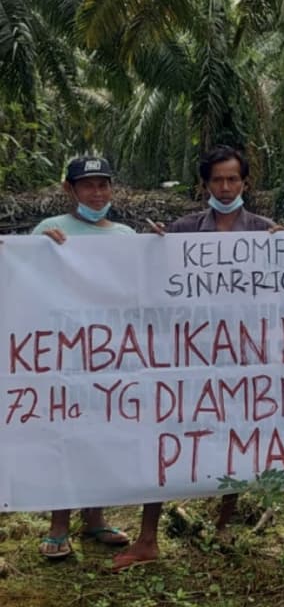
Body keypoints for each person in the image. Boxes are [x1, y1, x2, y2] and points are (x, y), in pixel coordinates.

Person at [113, 145, 278, 571]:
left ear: (245, 183)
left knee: (237, 435)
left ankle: (224, 523)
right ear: (204, 184)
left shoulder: (265, 231)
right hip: (184, 356)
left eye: (233, 179)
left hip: (243, 355)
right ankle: (147, 537)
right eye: (217, 180)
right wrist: (153, 249)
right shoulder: (182, 231)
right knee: (164, 437)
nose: (225, 187)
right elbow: (150, 282)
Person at [30, 155, 135, 560]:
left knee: (105, 436)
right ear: (69, 190)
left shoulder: (127, 236)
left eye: (103, 184)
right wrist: (41, 250)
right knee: (66, 436)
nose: (97, 193)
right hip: (65, 356)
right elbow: (25, 280)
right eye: (88, 185)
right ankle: (58, 525)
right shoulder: (49, 231)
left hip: (113, 357)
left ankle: (95, 518)